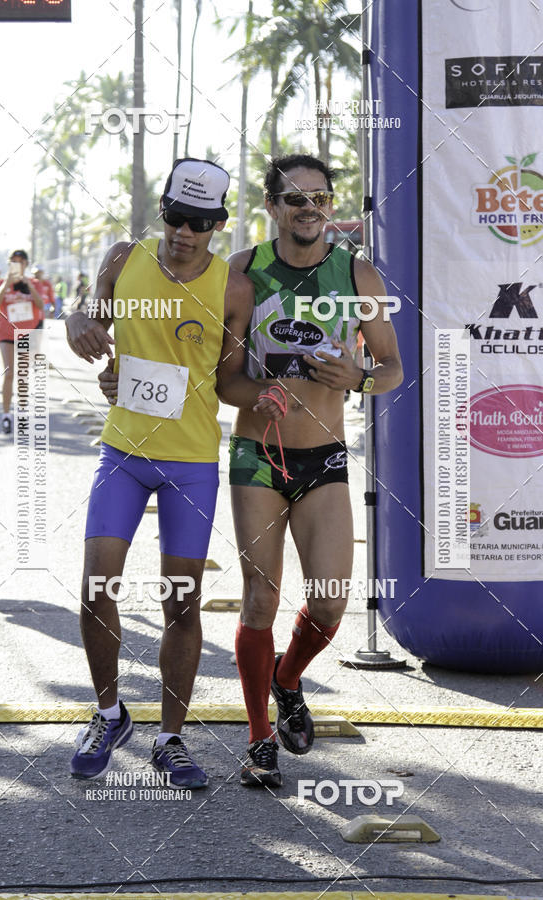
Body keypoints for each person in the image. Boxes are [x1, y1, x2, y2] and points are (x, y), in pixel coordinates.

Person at [65, 158, 284, 786]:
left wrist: (263, 394)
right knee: (95, 587)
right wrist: (81, 323)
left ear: (218, 224)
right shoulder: (122, 259)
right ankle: (110, 714)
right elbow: (91, 321)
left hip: (191, 464)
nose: (184, 233)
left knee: (181, 603)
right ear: (161, 209)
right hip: (124, 454)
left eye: (199, 223)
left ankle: (170, 739)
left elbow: (231, 379)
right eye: (174, 218)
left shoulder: (232, 288)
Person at [226, 154, 403, 786]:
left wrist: (358, 377)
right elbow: (224, 380)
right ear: (272, 207)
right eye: (295, 198)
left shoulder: (358, 275)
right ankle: (258, 742)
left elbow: (392, 368)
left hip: (324, 458)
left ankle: (287, 678)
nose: (309, 208)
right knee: (259, 599)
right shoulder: (242, 275)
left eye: (320, 198)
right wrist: (257, 393)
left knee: (330, 604)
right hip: (258, 455)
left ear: (330, 206)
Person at [0, 250, 44, 434]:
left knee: (22, 375)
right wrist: (7, 282)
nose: (17, 264)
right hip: (6, 333)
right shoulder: (1, 283)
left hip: (26, 333)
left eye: (20, 262)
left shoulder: (34, 283)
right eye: (13, 261)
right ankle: (6, 415)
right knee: (9, 373)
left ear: (26, 264)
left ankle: (21, 413)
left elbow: (41, 304)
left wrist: (27, 282)